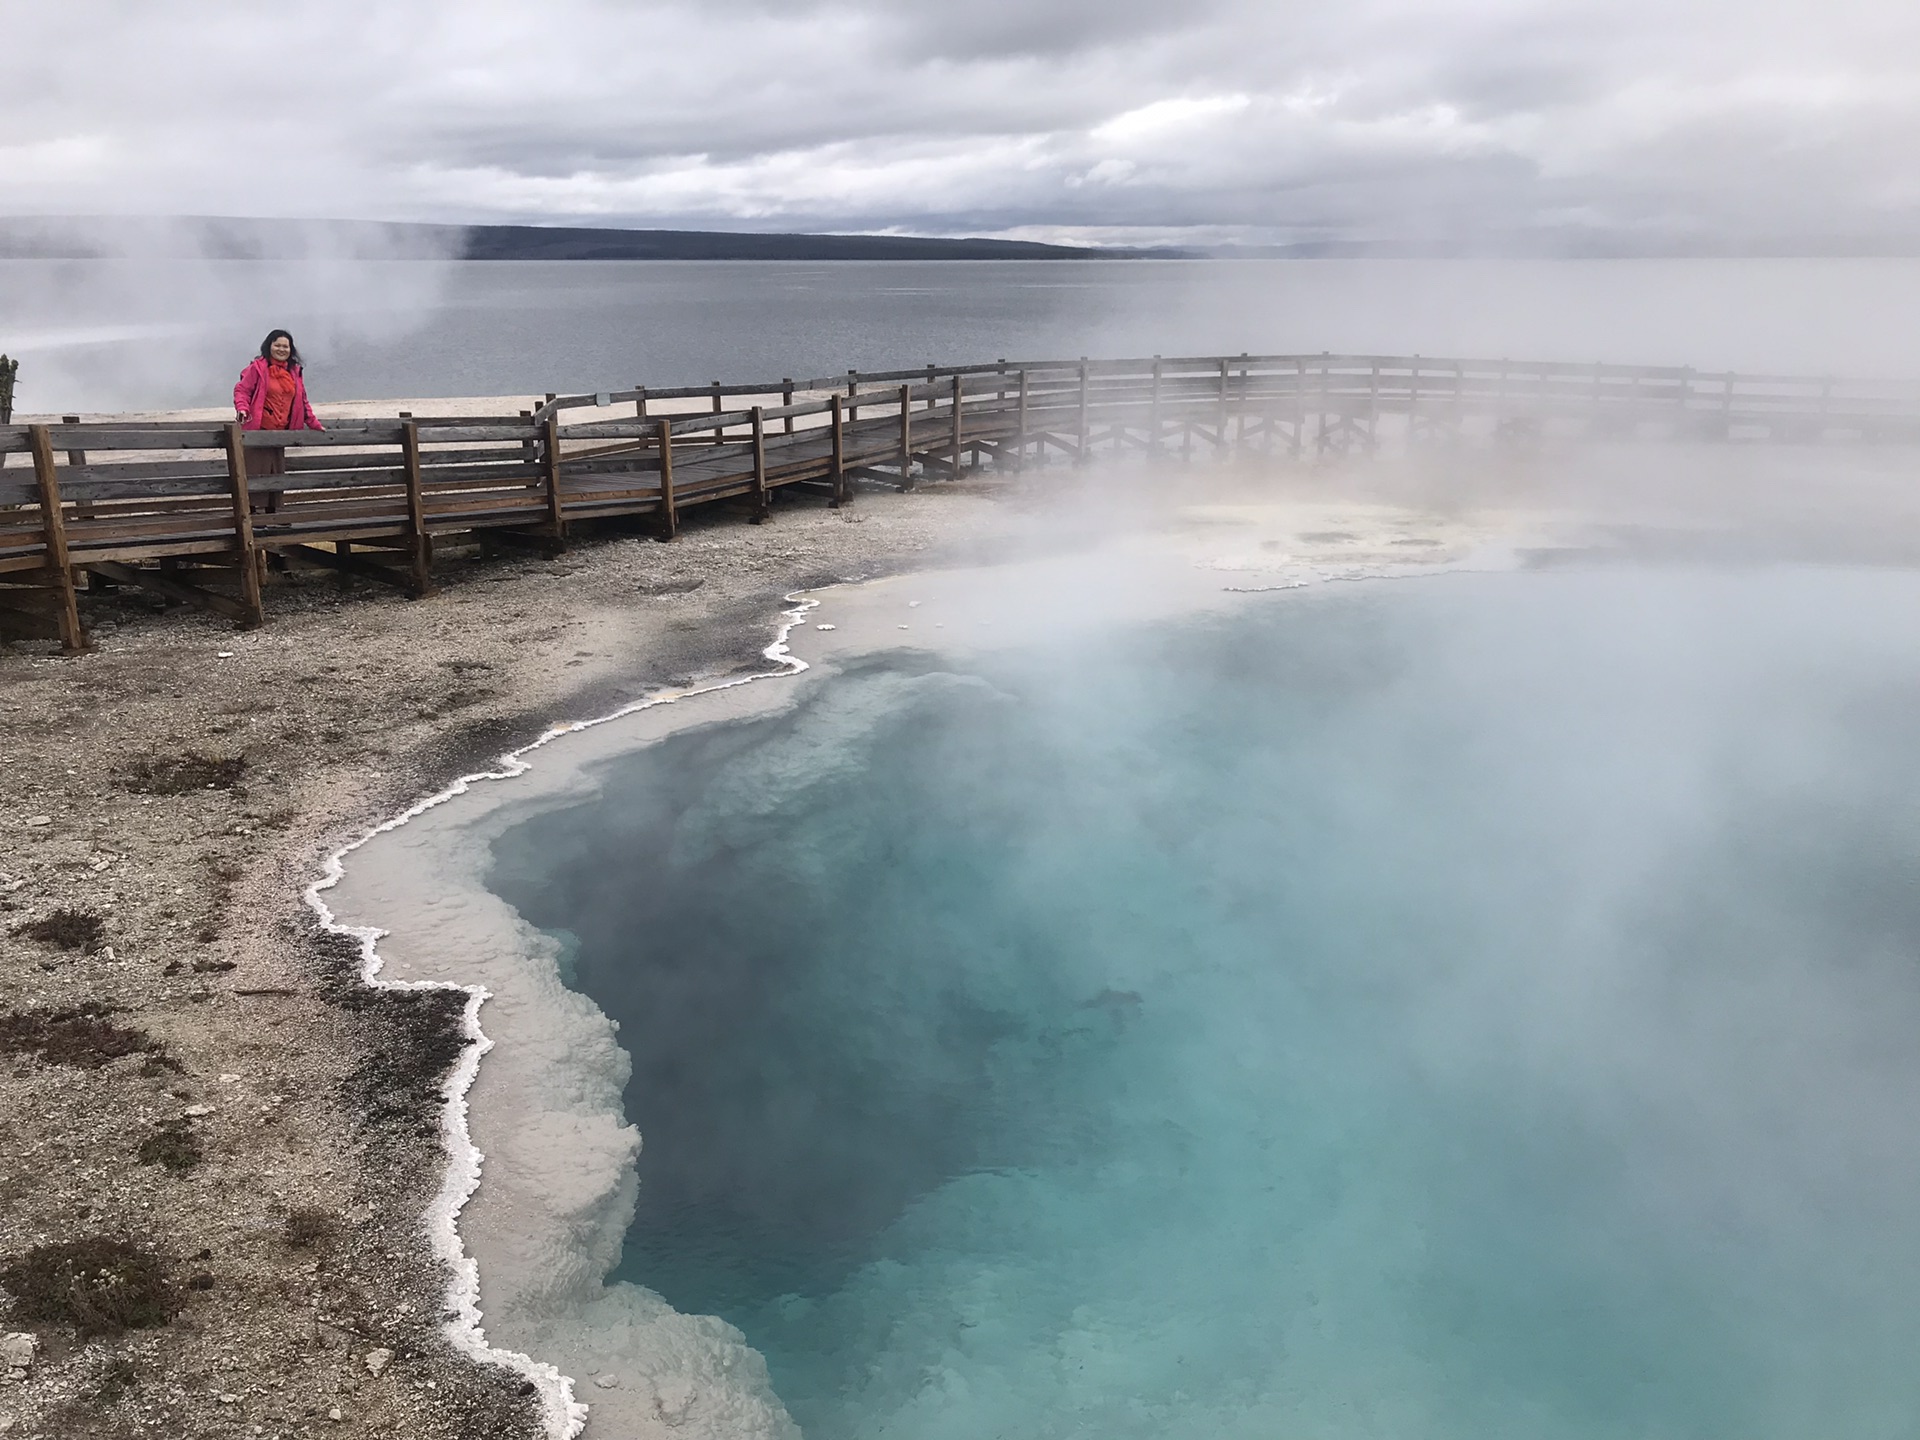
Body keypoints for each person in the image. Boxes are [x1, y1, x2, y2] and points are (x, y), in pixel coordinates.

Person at [233, 329, 324, 480]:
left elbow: (302, 401)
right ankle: (251, 505)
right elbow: (242, 390)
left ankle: (273, 505)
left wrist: (314, 424)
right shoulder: (257, 368)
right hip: (258, 431)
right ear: (269, 346)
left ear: (291, 350)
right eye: (277, 345)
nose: (281, 349)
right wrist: (242, 409)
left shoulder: (294, 372)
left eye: (285, 346)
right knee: (254, 474)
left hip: (280, 434)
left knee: (276, 475)